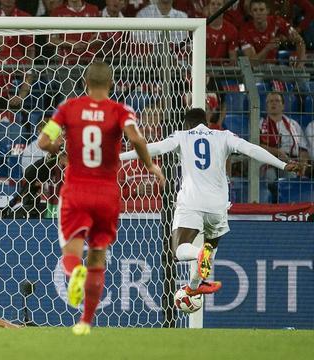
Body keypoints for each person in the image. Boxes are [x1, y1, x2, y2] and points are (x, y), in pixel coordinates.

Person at [120, 109, 305, 300]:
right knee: (210, 250)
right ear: (206, 122)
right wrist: (282, 165)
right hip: (218, 205)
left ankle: (199, 254)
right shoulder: (223, 136)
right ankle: (193, 287)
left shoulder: (182, 136)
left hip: (192, 201)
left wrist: (118, 157)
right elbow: (251, 149)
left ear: (186, 124)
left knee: (180, 249)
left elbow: (154, 148)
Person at [37, 61, 165, 335]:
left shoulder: (67, 108)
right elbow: (138, 140)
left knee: (71, 253)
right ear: (111, 84)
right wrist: (151, 166)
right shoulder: (121, 110)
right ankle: (85, 322)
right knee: (97, 257)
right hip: (107, 194)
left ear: (85, 83)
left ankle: (74, 275)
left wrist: (58, 145)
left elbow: (44, 142)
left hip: (76, 190)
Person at [240, 0, 306, 67]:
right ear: (251, 13)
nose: (258, 13)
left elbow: (300, 42)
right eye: (255, 10)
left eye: (261, 10)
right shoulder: (245, 31)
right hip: (256, 70)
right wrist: (267, 48)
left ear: (267, 11)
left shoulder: (277, 21)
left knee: (303, 76)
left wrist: (300, 63)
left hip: (275, 67)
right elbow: (252, 63)